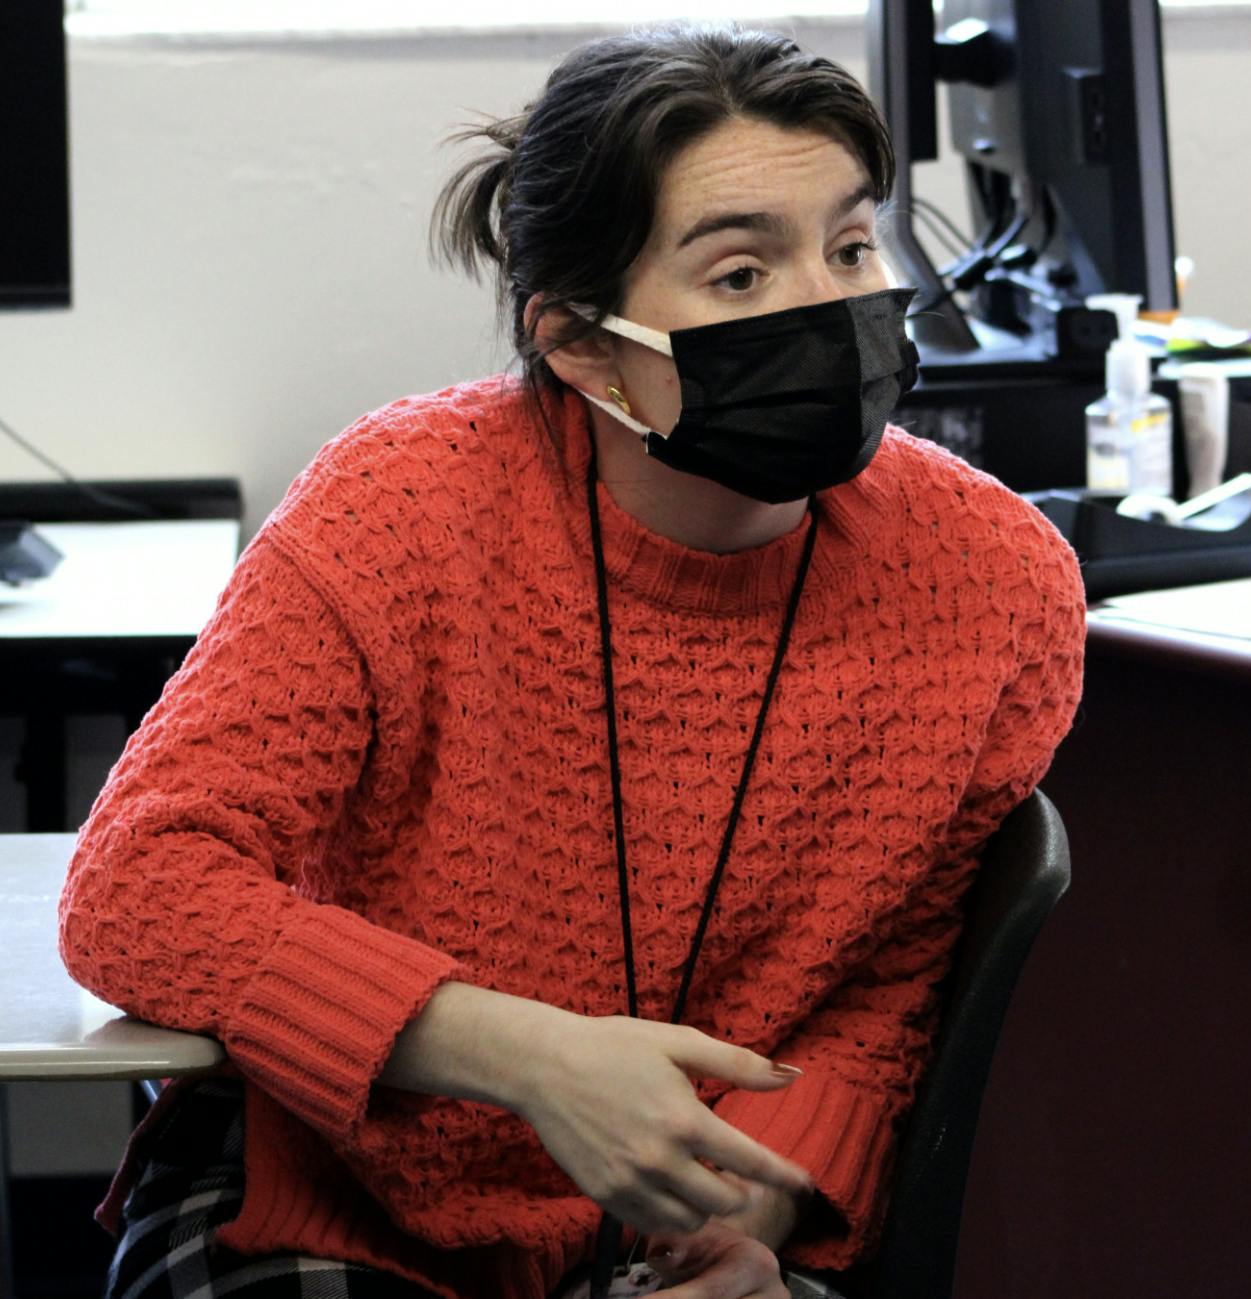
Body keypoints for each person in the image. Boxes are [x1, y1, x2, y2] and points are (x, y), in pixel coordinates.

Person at [58, 23, 1085, 1299]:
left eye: (850, 246)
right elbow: (139, 886)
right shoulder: (400, 508)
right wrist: (534, 1060)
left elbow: (888, 987)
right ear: (583, 346)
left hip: (697, 1215)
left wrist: (757, 1207)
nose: (828, 308)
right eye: (740, 275)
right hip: (341, 1193)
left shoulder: (994, 579)